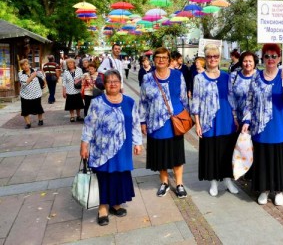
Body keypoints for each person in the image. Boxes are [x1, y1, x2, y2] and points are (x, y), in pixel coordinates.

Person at [80, 69, 143, 226]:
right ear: (104, 85)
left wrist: (138, 142)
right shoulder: (97, 103)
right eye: (109, 81)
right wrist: (84, 145)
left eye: (116, 81)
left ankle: (115, 204)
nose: (113, 84)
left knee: (120, 174)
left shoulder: (129, 102)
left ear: (120, 83)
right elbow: (89, 125)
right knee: (104, 175)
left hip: (123, 147)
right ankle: (102, 207)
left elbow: (135, 123)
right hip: (102, 148)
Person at [242, 44, 283, 206]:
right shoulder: (256, 77)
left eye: (274, 56)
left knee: (280, 158)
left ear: (279, 58)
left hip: (281, 125)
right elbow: (249, 101)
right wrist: (247, 120)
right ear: (263, 58)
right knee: (264, 158)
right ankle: (264, 190)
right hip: (262, 126)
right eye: (267, 56)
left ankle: (279, 190)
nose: (270, 59)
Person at [138, 48, 189, 199]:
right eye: (158, 57)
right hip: (154, 122)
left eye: (164, 57)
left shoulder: (177, 75)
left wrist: (183, 115)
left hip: (174, 122)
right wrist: (142, 121)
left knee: (176, 153)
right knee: (160, 154)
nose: (161, 60)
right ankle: (164, 182)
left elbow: (184, 98)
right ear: (154, 59)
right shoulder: (147, 78)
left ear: (168, 60)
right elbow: (143, 101)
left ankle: (179, 184)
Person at [191, 44, 239, 197]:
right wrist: (197, 123)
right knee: (211, 151)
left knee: (227, 150)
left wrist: (235, 117)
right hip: (208, 120)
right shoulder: (199, 78)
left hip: (226, 118)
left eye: (215, 56)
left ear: (219, 58)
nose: (213, 59)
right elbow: (196, 102)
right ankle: (213, 181)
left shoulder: (226, 76)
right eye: (210, 57)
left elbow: (232, 98)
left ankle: (227, 179)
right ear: (205, 59)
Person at [229, 51, 258, 130]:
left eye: (250, 61)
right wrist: (234, 117)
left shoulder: (260, 76)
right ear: (241, 62)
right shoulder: (234, 76)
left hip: (256, 120)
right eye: (245, 61)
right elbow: (230, 97)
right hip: (238, 120)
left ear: (254, 63)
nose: (248, 63)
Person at [18, 59, 45, 129]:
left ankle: (40, 120)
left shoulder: (35, 71)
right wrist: (32, 76)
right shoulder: (20, 74)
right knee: (25, 110)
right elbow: (24, 83)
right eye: (23, 65)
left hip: (36, 93)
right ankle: (28, 123)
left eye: (26, 64)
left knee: (38, 108)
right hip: (25, 95)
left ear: (29, 65)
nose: (25, 66)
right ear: (21, 67)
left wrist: (45, 84)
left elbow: (43, 77)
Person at [63, 58, 84, 123]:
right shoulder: (65, 71)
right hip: (69, 90)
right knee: (71, 105)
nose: (70, 64)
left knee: (78, 104)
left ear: (74, 63)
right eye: (68, 63)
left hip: (78, 90)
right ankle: (72, 116)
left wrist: (79, 81)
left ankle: (78, 116)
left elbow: (82, 78)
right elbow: (64, 81)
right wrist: (64, 90)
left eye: (71, 63)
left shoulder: (79, 70)